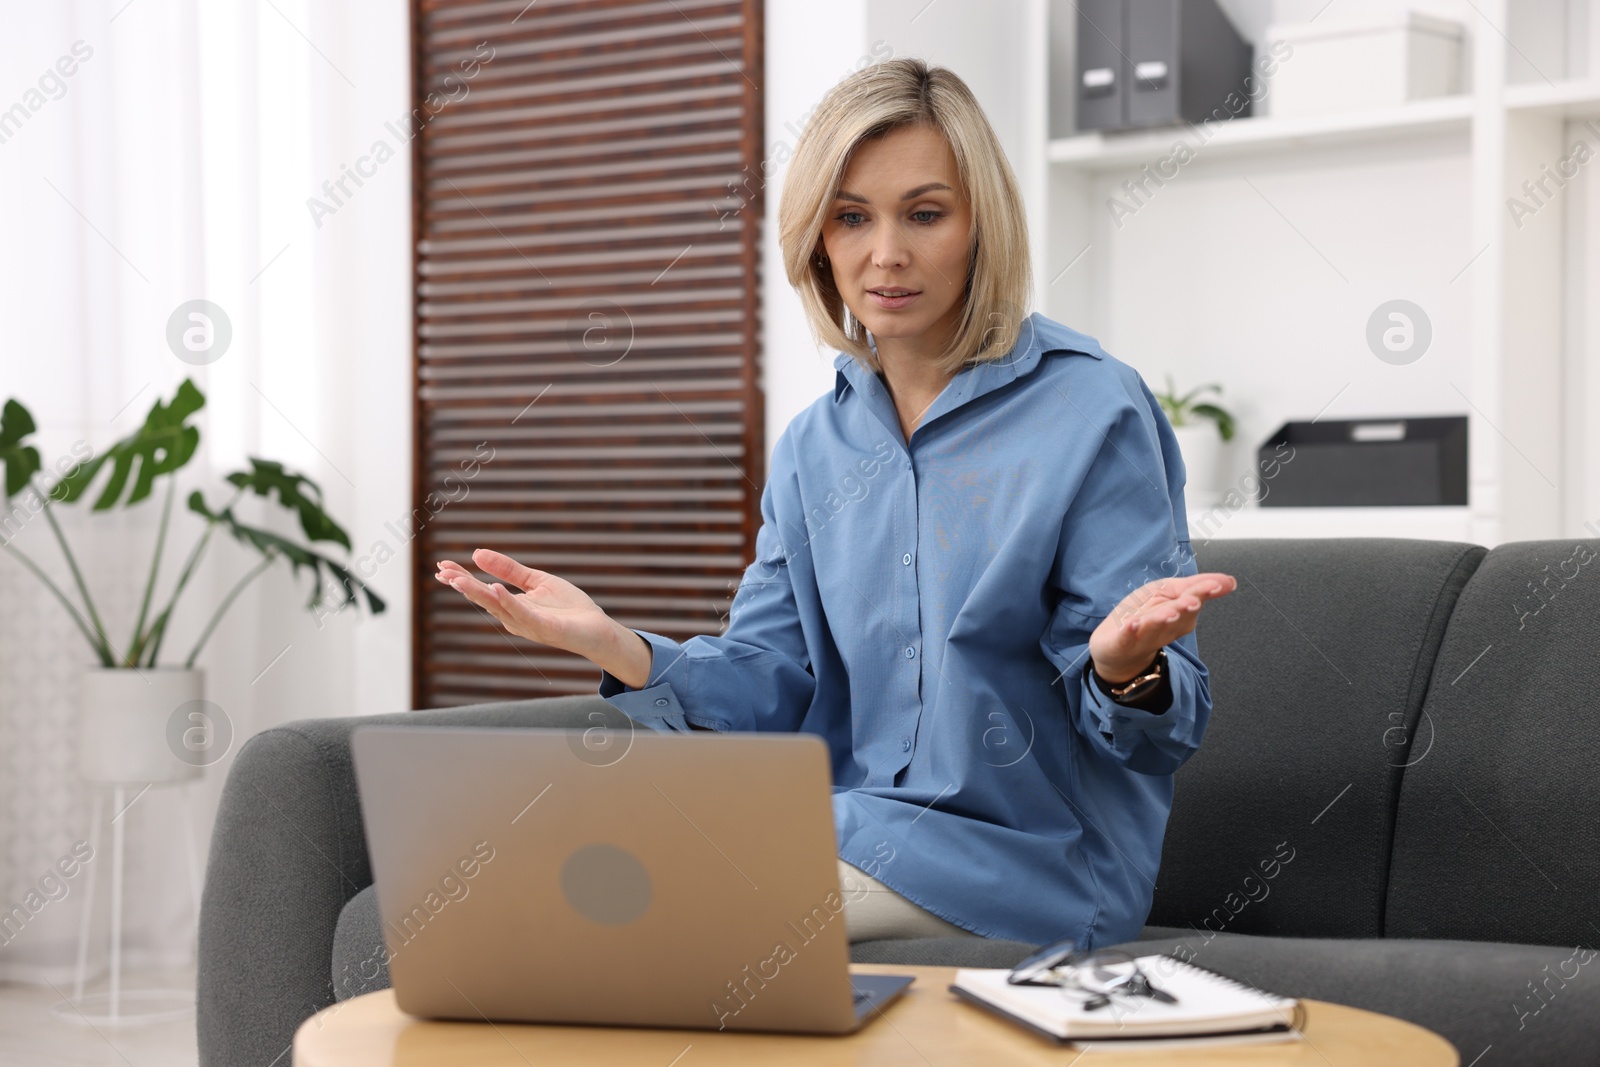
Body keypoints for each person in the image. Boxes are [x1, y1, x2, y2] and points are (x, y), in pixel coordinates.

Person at [435, 58, 1237, 949]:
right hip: (842, 833)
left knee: (669, 913)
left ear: (982, 227)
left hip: (1028, 864)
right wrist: (615, 645)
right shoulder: (816, 447)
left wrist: (1126, 667)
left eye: (925, 214)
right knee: (554, 882)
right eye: (852, 217)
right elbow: (772, 685)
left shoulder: (1093, 409)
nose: (884, 253)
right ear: (818, 236)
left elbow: (1160, 734)